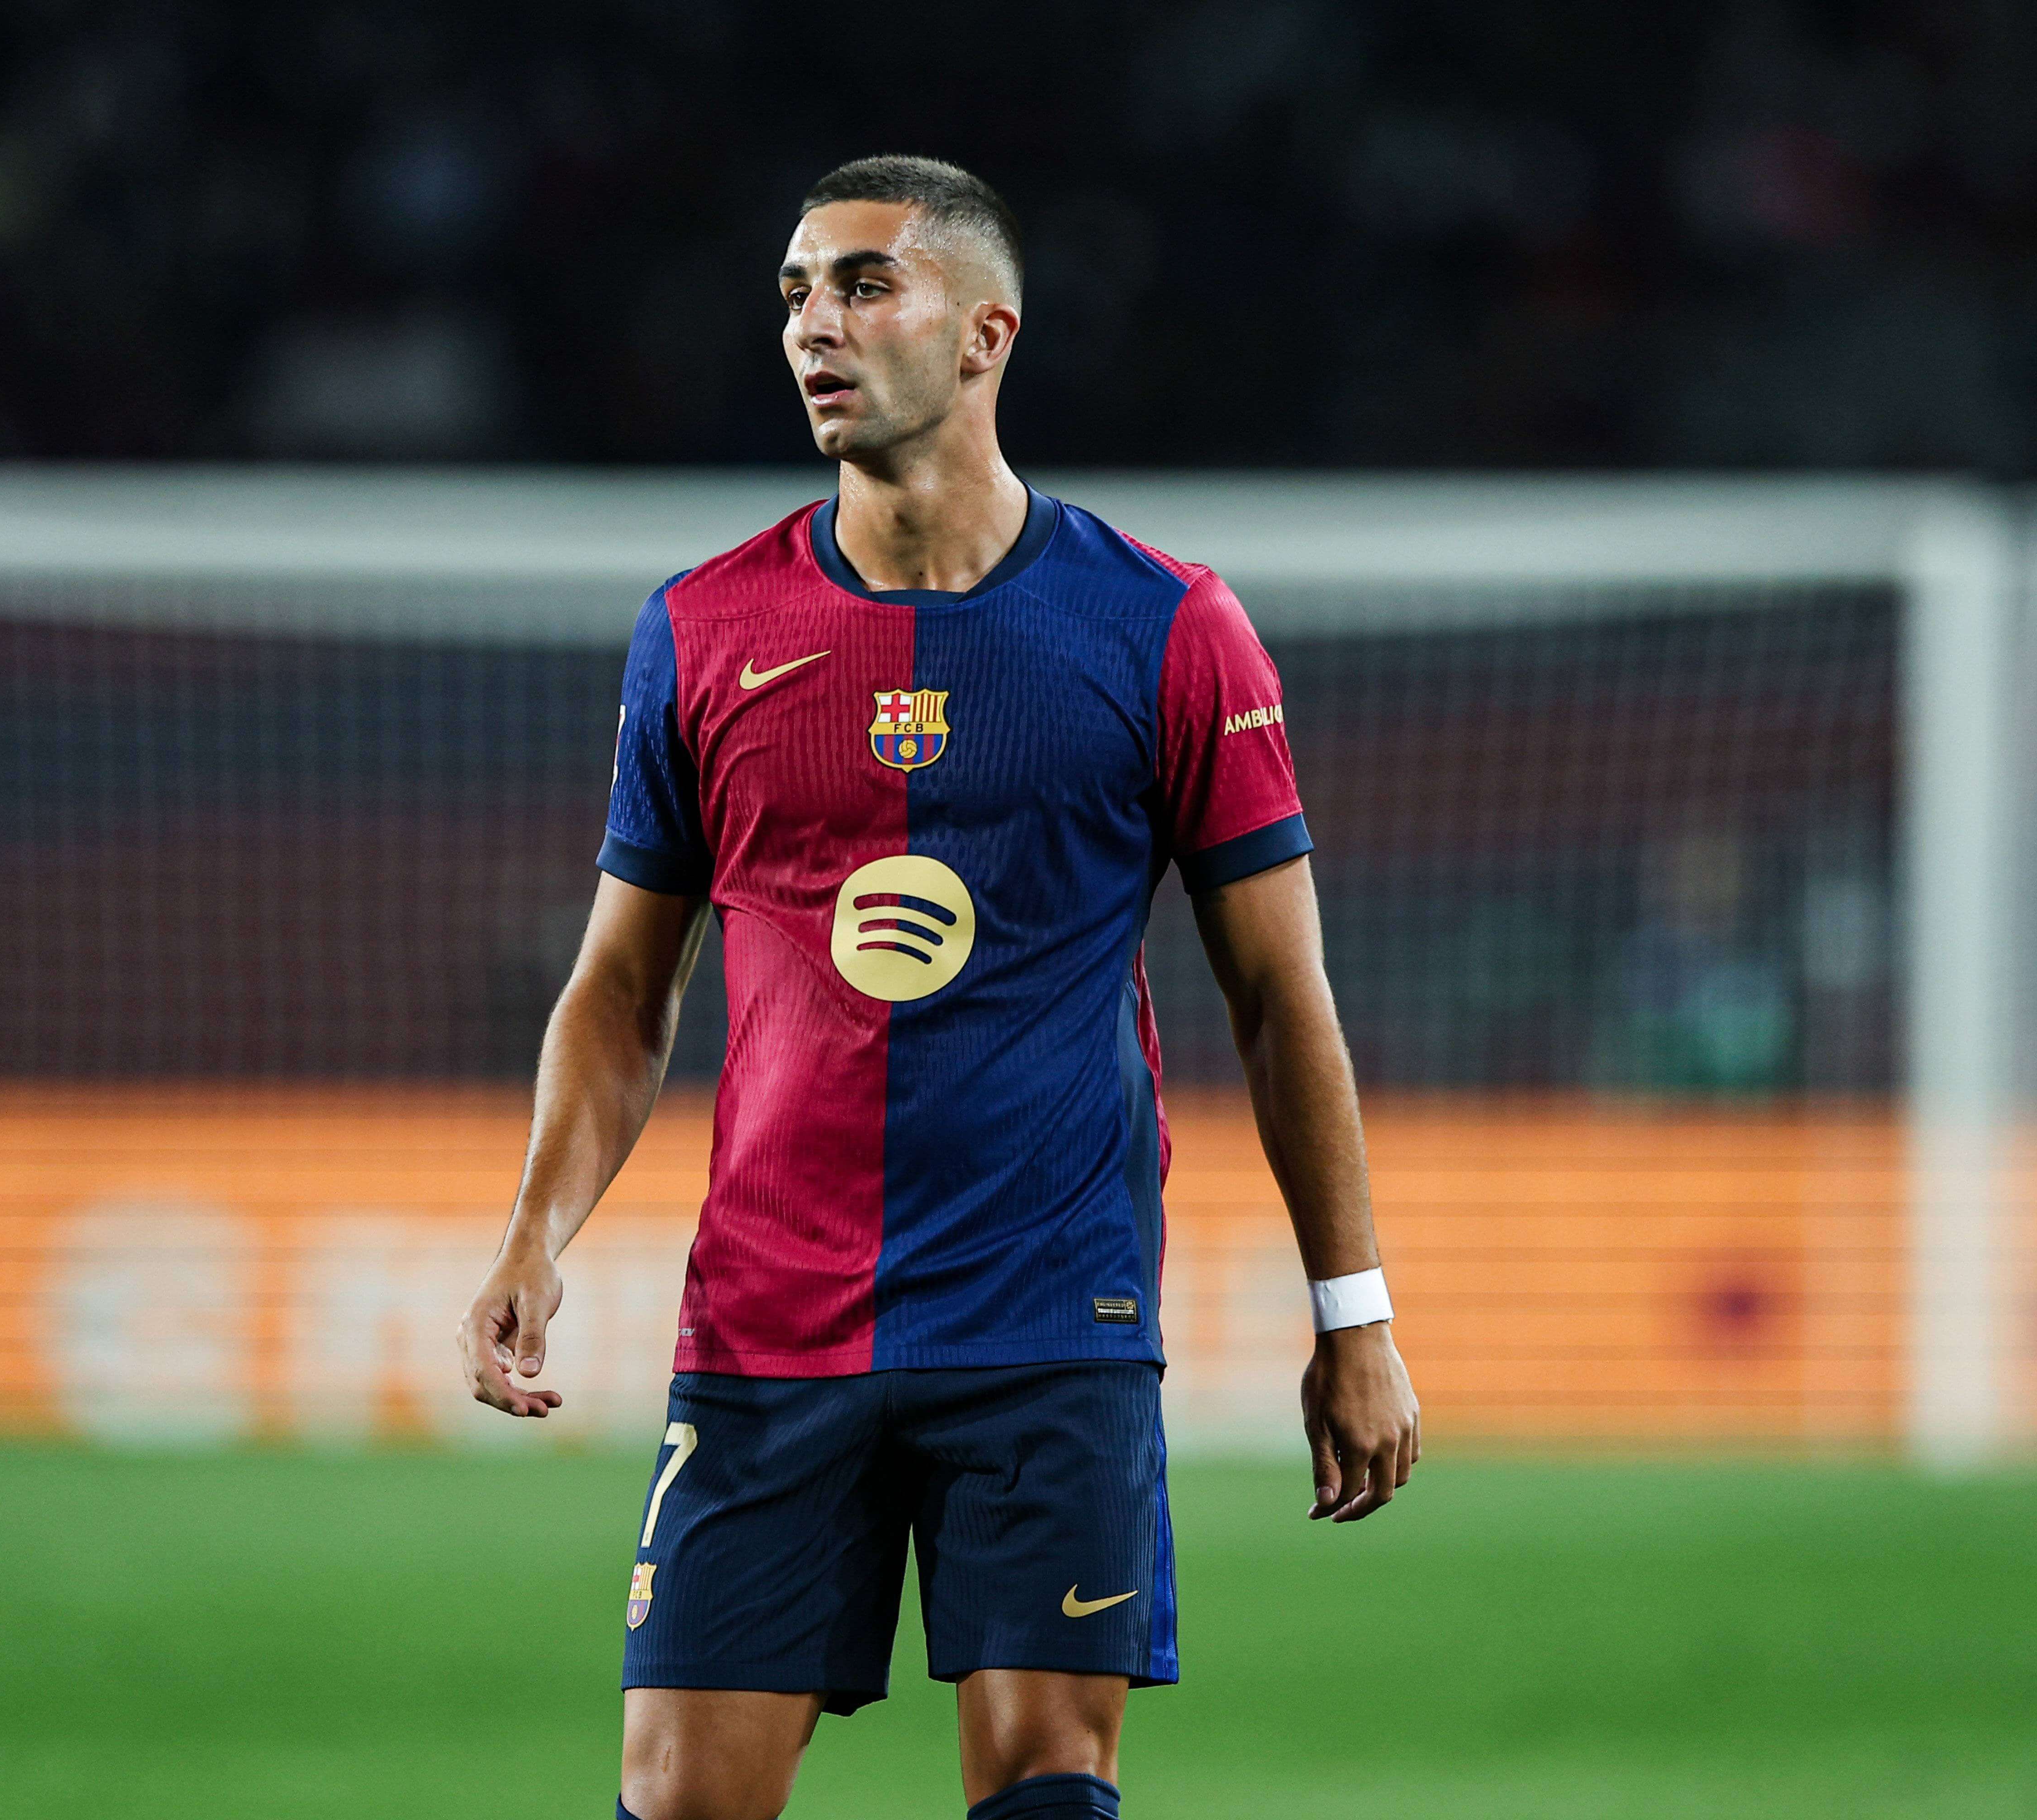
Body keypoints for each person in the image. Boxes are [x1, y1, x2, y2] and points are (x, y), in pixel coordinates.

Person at [457, 154, 1419, 1820]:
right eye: (794, 294)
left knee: (1050, 1785)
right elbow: (622, 990)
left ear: (988, 334)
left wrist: (1355, 1318)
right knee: (680, 1797)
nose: (812, 326)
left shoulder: (1166, 628)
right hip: (768, 1321)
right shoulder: (702, 629)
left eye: (859, 285)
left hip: (1052, 1320)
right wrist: (536, 1233)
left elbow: (1281, 999)